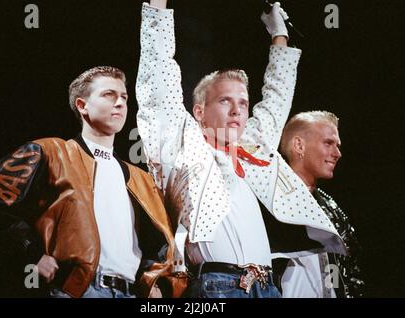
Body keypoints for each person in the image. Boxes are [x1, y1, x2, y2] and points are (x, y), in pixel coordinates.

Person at [136, 0, 346, 298]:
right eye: (225, 101)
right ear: (198, 111)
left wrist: (279, 34)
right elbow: (159, 76)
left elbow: (276, 98)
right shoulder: (183, 146)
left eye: (243, 103)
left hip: (267, 288)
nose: (237, 110)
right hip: (219, 288)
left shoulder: (251, 150)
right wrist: (157, 5)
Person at [0, 66, 181, 298]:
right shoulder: (51, 152)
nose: (120, 103)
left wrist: (155, 282)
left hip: (131, 293)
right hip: (78, 290)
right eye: (109, 95)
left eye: (124, 97)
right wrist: (32, 254)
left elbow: (156, 243)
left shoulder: (141, 179)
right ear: (82, 105)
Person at [276, 110, 365, 297]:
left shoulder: (328, 205)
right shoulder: (272, 202)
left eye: (337, 145)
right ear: (299, 145)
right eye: (328, 143)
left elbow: (337, 268)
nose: (337, 153)